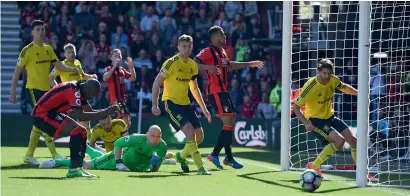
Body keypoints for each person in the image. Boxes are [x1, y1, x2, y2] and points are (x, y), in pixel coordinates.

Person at [9, 20, 80, 165]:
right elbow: (17, 73)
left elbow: (59, 64)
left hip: (47, 91)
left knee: (39, 124)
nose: (42, 31)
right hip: (33, 90)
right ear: (32, 32)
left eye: (43, 29)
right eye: (38, 29)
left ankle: (29, 155)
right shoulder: (27, 50)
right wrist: (12, 93)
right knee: (44, 119)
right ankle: (54, 154)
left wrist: (71, 69)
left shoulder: (48, 49)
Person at [293, 59, 376, 181]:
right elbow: (296, 107)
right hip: (315, 120)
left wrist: (361, 94)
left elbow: (344, 87)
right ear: (319, 72)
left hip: (330, 116)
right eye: (324, 73)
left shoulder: (333, 79)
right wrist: (306, 123)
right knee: (339, 141)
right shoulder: (310, 86)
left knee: (354, 142)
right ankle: (314, 165)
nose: (327, 76)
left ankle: (362, 172)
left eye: (329, 73)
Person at [194, 26, 263, 169]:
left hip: (224, 91)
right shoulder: (207, 51)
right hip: (215, 91)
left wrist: (249, 64)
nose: (224, 37)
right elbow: (194, 63)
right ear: (213, 37)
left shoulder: (223, 52)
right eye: (221, 34)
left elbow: (229, 65)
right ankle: (217, 154)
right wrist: (208, 68)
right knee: (228, 122)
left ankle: (227, 157)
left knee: (230, 121)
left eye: (224, 34)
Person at [31, 79, 119, 178]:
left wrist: (107, 111)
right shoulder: (74, 90)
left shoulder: (81, 90)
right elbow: (81, 116)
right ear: (88, 89)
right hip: (42, 115)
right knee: (78, 131)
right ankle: (73, 170)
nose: (92, 98)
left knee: (82, 132)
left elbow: (89, 111)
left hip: (52, 113)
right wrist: (106, 112)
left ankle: (78, 168)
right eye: (92, 95)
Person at [151, 34, 212, 175]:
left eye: (189, 46)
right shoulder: (171, 63)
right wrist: (155, 104)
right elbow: (157, 82)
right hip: (171, 103)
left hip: (186, 104)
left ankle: (181, 156)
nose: (186, 49)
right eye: (183, 46)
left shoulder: (192, 66)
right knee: (190, 130)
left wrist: (204, 109)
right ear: (178, 47)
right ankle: (200, 167)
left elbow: (194, 89)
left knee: (200, 136)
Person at [40, 125, 169, 172]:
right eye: (152, 136)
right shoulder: (137, 138)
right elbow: (118, 143)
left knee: (98, 158)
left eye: (158, 137)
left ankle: (86, 148)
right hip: (117, 160)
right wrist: (119, 163)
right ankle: (58, 162)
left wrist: (154, 166)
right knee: (87, 165)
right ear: (147, 134)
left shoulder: (162, 147)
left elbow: (154, 171)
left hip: (134, 169)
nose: (155, 139)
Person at [49, 43, 98, 141]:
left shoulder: (77, 62)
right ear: (65, 54)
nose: (72, 54)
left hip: (80, 94)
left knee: (86, 117)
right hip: (68, 97)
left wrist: (91, 76)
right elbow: (51, 77)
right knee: (66, 119)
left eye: (73, 52)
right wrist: (58, 89)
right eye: (69, 52)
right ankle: (50, 137)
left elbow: (82, 75)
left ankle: (89, 142)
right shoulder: (61, 65)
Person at [103, 49, 136, 130]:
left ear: (121, 57)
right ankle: (122, 138)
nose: (118, 57)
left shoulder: (122, 70)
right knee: (125, 120)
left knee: (124, 122)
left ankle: (118, 138)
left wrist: (131, 67)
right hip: (115, 101)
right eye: (115, 56)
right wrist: (114, 66)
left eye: (119, 56)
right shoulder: (108, 68)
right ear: (111, 58)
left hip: (122, 100)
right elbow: (105, 78)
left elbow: (132, 78)